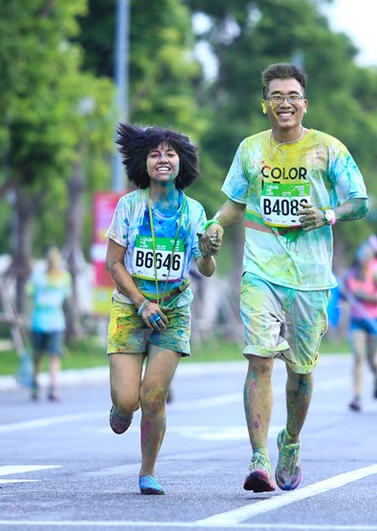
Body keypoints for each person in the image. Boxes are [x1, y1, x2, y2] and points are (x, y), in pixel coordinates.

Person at [200, 63, 368, 493]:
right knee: (260, 359)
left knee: (302, 372)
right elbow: (235, 204)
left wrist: (327, 215)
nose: (285, 103)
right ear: (265, 104)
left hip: (311, 279)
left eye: (292, 96)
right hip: (261, 270)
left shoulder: (328, 149)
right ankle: (258, 457)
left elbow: (360, 201)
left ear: (304, 104)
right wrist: (217, 223)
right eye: (276, 96)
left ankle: (290, 440)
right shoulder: (251, 150)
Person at [104, 123, 217, 496]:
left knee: (153, 395)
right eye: (155, 154)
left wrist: (208, 253)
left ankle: (147, 472)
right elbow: (113, 262)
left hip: (174, 311)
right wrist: (141, 302)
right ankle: (121, 408)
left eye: (170, 153)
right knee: (128, 401)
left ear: (182, 162)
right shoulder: (130, 206)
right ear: (144, 162)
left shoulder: (193, 212)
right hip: (130, 308)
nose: (163, 159)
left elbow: (205, 268)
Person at [342, 242, 377, 412]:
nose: (364, 259)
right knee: (358, 356)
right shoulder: (350, 275)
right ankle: (357, 396)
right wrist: (346, 294)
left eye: (368, 255)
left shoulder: (375, 275)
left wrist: (366, 297)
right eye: (362, 255)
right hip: (357, 320)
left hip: (373, 321)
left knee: (371, 359)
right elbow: (344, 296)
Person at [26, 246, 72, 402]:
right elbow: (67, 297)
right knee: (50, 356)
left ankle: (40, 386)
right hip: (50, 321)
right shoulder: (61, 277)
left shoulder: (40, 276)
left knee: (41, 355)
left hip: (45, 321)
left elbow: (29, 294)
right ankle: (49, 387)